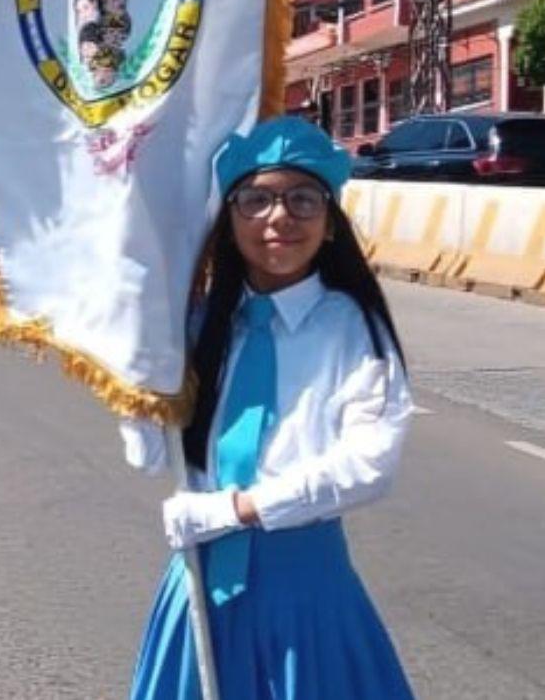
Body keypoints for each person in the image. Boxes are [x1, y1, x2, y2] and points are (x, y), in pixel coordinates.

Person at [121, 117, 414, 699]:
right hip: (199, 590)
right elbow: (152, 457)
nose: (279, 217)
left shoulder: (354, 330)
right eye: (255, 200)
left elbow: (368, 465)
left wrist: (238, 509)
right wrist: (133, 381)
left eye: (303, 199)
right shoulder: (199, 327)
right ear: (229, 222)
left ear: (330, 222)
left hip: (304, 596)